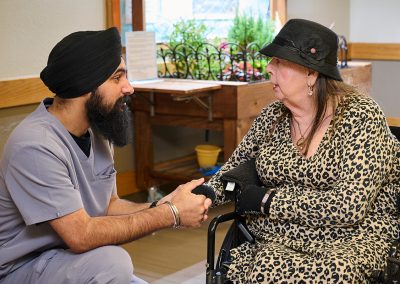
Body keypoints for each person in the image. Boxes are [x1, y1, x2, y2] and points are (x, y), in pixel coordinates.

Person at [0, 27, 212, 284]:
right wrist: (171, 214)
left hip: (64, 260)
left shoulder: (96, 129)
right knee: (112, 263)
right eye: (117, 78)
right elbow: (81, 236)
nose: (129, 88)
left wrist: (163, 203)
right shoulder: (35, 146)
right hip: (22, 269)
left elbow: (108, 206)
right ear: (85, 84)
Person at [206, 18, 400, 283]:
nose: (268, 68)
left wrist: (268, 201)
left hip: (352, 238)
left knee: (335, 272)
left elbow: (349, 207)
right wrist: (199, 197)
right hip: (280, 235)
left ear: (312, 74)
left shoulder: (360, 117)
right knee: (265, 264)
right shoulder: (272, 116)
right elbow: (232, 169)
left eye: (279, 62)